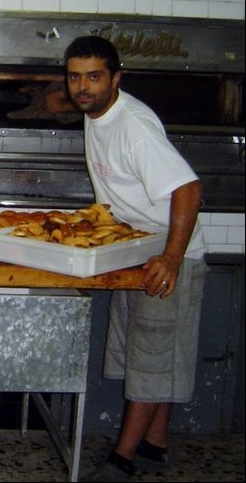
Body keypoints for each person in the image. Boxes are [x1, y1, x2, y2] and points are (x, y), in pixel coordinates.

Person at [63, 36, 206, 482]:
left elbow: (189, 189)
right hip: (136, 247)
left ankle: (119, 462)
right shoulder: (95, 111)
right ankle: (154, 446)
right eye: (74, 77)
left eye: (94, 77)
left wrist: (171, 258)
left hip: (166, 253)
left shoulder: (134, 126)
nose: (83, 87)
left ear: (116, 78)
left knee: (149, 359)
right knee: (147, 355)